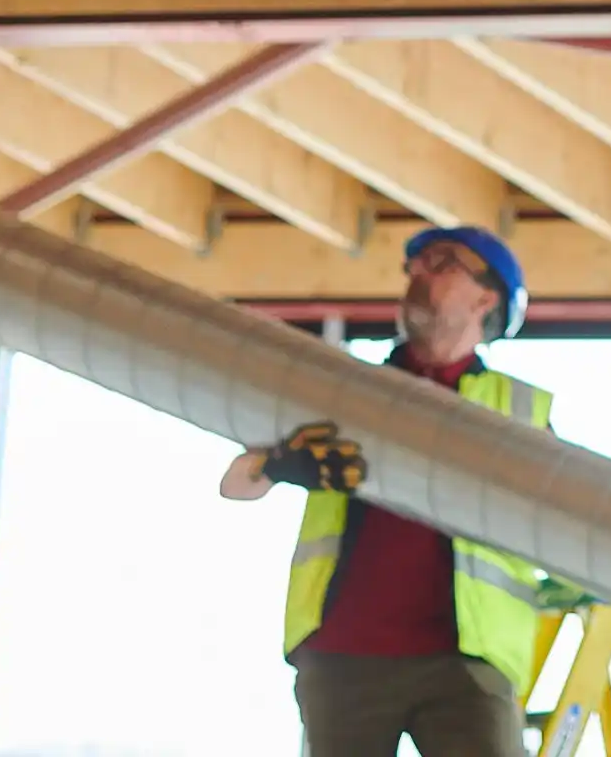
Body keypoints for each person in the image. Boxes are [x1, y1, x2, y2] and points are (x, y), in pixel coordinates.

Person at [220, 226, 557, 757]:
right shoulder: (344, 387)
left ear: (486, 297)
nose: (417, 272)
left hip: (466, 663)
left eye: (442, 262)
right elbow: (235, 484)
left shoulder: (519, 413)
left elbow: (565, 525)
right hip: (344, 658)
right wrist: (282, 464)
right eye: (415, 265)